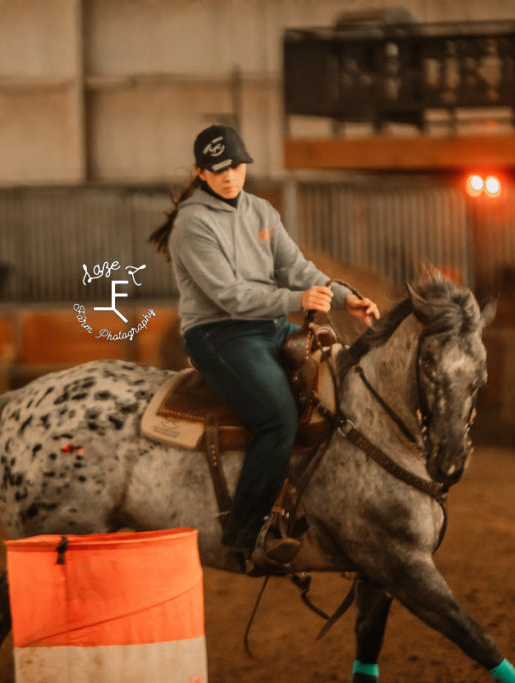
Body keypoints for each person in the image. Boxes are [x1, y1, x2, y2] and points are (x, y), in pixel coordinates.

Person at [149, 125, 379, 568]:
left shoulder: (261, 211)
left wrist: (347, 296)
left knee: (332, 389)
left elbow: (296, 268)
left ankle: (315, 507)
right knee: (277, 417)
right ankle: (245, 534)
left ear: (245, 165)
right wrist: (297, 301)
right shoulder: (191, 226)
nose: (230, 176)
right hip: (220, 333)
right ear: (200, 173)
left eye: (236, 166)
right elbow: (229, 296)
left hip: (267, 324)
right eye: (217, 170)